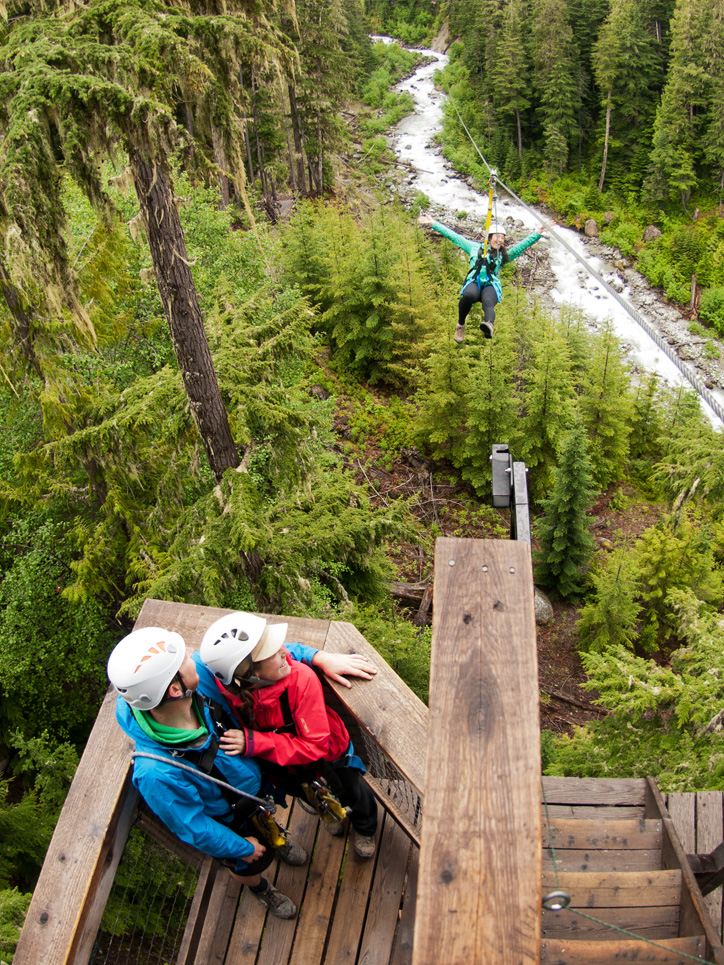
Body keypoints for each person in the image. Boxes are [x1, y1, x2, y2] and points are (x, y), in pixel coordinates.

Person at [108, 626, 308, 920]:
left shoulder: (196, 679)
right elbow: (191, 824)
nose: (193, 654)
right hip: (227, 823)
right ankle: (261, 888)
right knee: (247, 864)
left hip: (249, 790)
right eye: (183, 660)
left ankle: (277, 840)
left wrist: (315, 656)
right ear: (175, 689)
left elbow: (254, 653)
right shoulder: (155, 772)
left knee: (265, 821)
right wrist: (240, 847)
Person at [196, 612, 379, 859]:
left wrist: (253, 742)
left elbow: (315, 745)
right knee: (308, 791)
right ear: (252, 675)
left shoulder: (300, 679)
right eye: (273, 652)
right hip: (286, 764)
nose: (284, 651)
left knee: (352, 790)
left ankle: (365, 826)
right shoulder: (223, 683)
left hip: (328, 754)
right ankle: (331, 812)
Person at [418, 215, 550, 344]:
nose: (500, 240)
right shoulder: (474, 247)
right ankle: (460, 325)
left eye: (503, 238)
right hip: (474, 282)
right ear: (490, 237)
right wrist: (434, 223)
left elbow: (520, 247)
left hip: (490, 285)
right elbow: (454, 237)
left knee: (488, 302)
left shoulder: (502, 255)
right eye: (497, 236)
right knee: (468, 295)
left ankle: (489, 325)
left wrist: (538, 233)